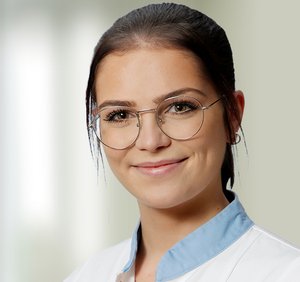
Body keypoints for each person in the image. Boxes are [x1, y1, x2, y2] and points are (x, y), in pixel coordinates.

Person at [65, 3, 300, 282]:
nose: (151, 141)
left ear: (232, 115)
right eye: (120, 114)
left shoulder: (286, 273)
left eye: (179, 107)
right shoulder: (87, 276)